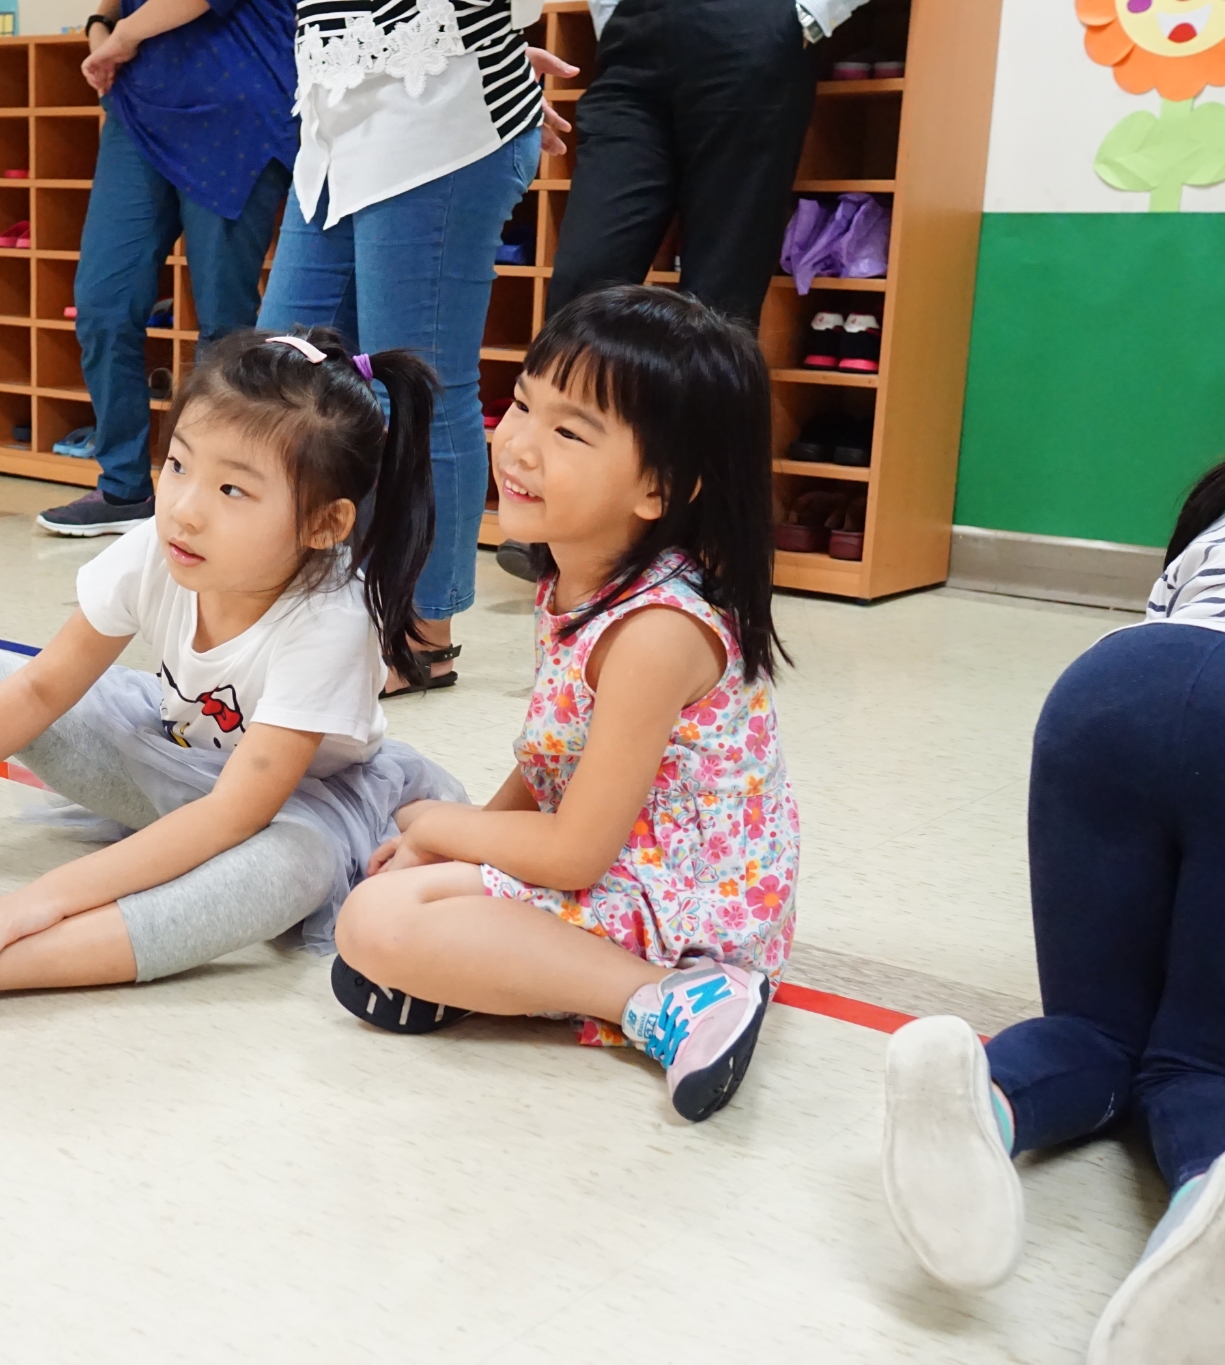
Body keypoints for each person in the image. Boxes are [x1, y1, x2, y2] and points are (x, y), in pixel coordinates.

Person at [0, 331, 467, 1042]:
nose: (185, 509)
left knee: (291, 865)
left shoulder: (330, 619)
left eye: (233, 490)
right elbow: (41, 689)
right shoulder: (157, 548)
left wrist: (38, 899)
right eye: (179, 465)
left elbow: (234, 814)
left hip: (289, 805)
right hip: (171, 749)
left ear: (324, 525)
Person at [879, 268, 1225, 1365]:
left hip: (1107, 693)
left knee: (1094, 1029)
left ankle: (984, 1094)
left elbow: (1181, 648)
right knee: (1210, 1068)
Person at [329, 286, 796, 1121]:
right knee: (396, 906)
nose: (518, 444)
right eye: (521, 404)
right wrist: (451, 845)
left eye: (569, 432)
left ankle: (672, 999)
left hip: (689, 912)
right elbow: (553, 760)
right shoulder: (578, 581)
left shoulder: (656, 631)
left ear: (659, 488)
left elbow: (576, 851)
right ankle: (521, 976)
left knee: (375, 922)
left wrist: (439, 826)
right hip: (627, 866)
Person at [257, 0, 573, 692]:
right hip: (339, 114)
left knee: (418, 387)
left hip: (439, 121)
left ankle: (423, 635)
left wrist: (480, 40)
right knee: (281, 378)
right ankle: (314, 602)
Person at [497, 0, 868, 583]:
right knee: (581, 287)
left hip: (750, 27)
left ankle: (701, 539)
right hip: (632, 37)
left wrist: (806, 14)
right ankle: (560, 509)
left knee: (720, 301)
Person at [34, 0, 297, 536]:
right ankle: (123, 488)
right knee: (103, 304)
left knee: (225, 325)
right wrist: (100, 25)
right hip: (141, 107)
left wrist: (122, 36)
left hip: (237, 108)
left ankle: (216, 490)